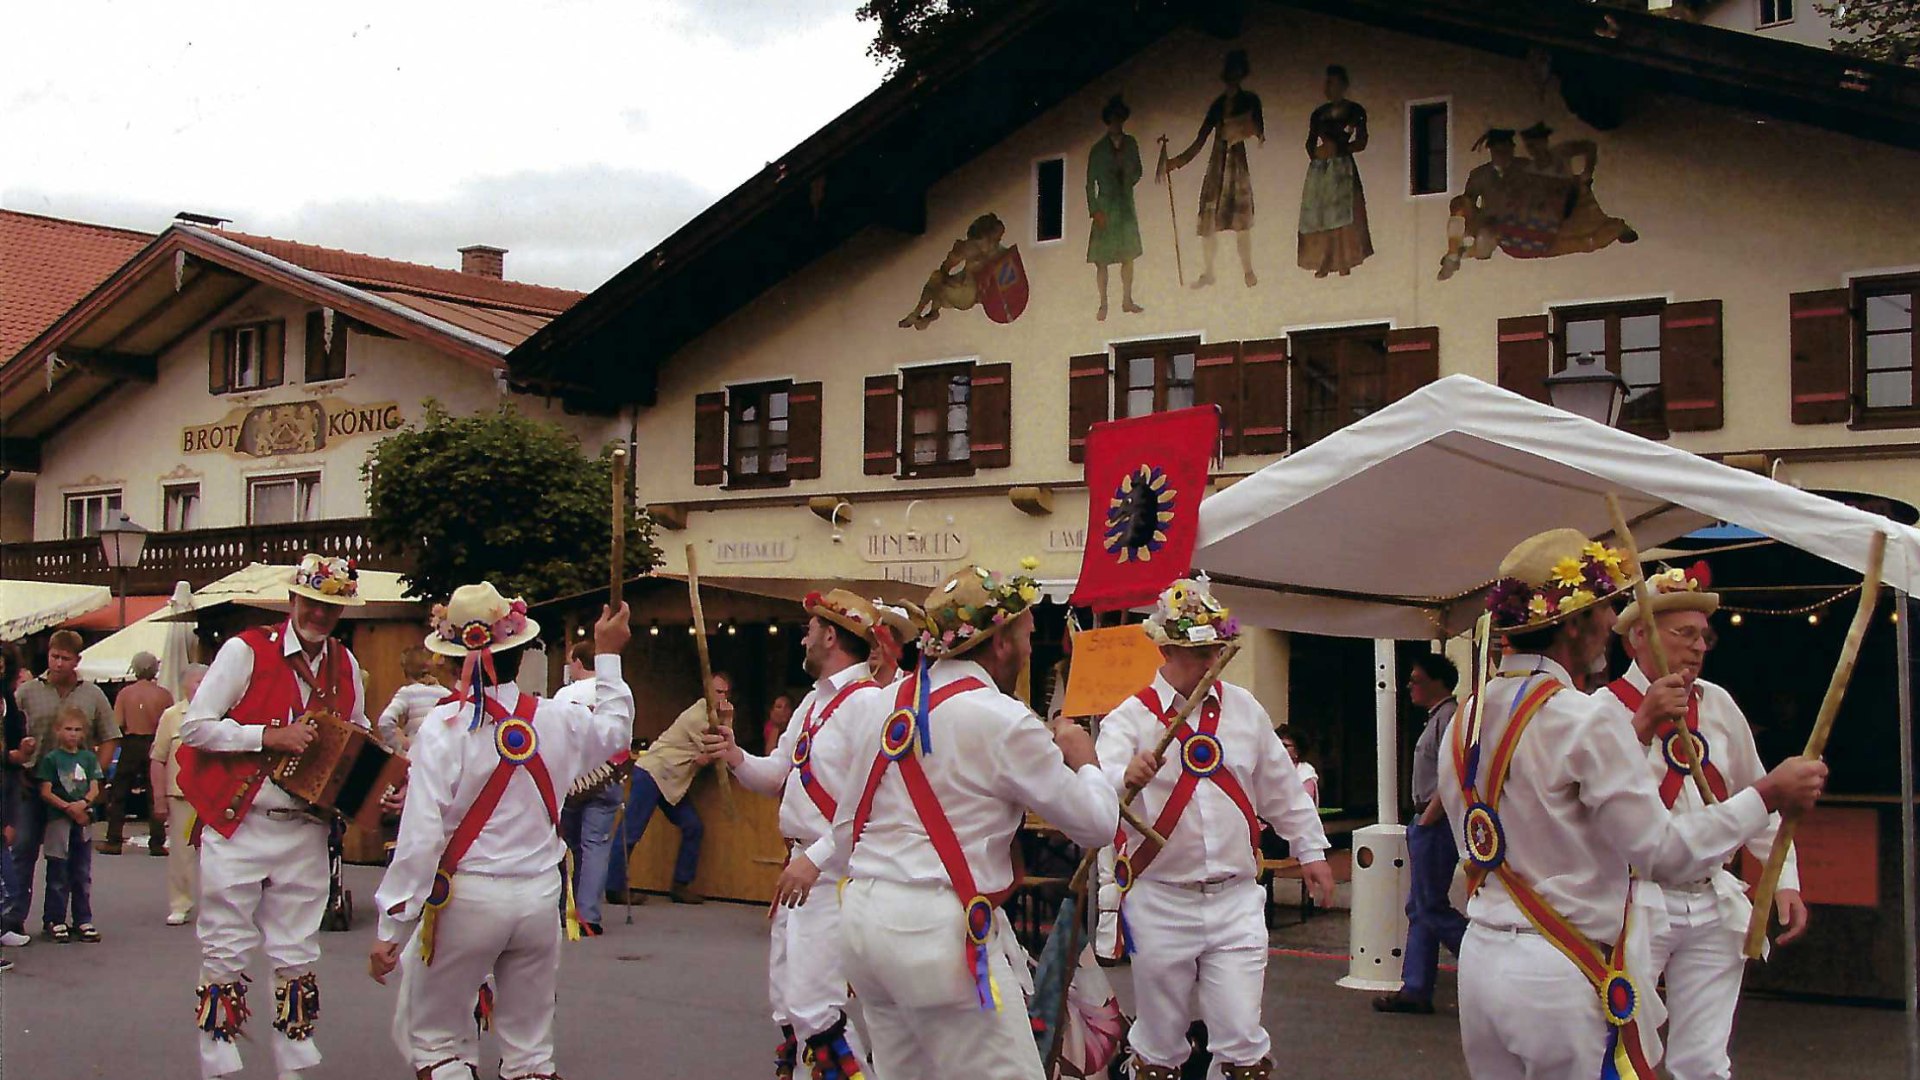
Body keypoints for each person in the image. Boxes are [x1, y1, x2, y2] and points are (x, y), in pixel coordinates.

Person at [1439, 529, 1827, 1079]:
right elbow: (1661, 850)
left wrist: (1780, 870)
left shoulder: (1467, 717)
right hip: (1562, 963)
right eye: (1605, 609)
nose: (1611, 622)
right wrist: (1769, 794)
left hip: (1479, 958)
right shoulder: (1587, 715)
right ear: (1574, 623)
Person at [817, 561, 1118, 1080]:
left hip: (863, 922)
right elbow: (1095, 825)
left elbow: (847, 830)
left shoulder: (886, 704)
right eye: (1026, 634)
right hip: (937, 933)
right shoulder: (1003, 718)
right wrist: (1085, 759)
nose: (1029, 649)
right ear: (999, 642)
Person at [369, 585, 634, 1080]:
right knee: (531, 1053)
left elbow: (421, 836)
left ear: (455, 663)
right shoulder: (559, 718)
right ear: (519, 651)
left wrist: (393, 922)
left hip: (468, 899)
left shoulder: (444, 729)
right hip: (539, 900)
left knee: (437, 1042)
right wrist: (608, 656)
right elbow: (617, 732)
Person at [1098, 577, 1331, 1080]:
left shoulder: (1244, 709)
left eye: (1214, 650)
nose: (1207, 663)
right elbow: (1096, 793)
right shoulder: (1130, 718)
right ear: (1163, 648)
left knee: (1244, 1043)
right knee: (1159, 1047)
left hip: (1235, 897)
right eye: (1192, 652)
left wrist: (1310, 851)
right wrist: (1124, 776)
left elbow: (1281, 788)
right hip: (1160, 897)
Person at [1593, 564, 1803, 1080]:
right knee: (1622, 1046)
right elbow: (1598, 800)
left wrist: (1783, 879)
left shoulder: (1719, 703)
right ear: (1638, 637)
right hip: (1635, 900)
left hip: (1713, 898)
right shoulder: (1600, 710)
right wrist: (1642, 724)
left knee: (1705, 1061)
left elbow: (1756, 791)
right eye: (1683, 634)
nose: (1699, 647)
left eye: (1703, 636)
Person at [176, 554, 371, 1080]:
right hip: (240, 820)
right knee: (225, 942)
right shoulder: (245, 650)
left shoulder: (347, 665)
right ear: (292, 602)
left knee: (298, 947)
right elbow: (195, 728)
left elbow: (358, 732)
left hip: (305, 825)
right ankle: (217, 1054)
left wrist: (378, 776)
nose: (320, 615)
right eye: (312, 603)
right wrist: (267, 735)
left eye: (331, 607)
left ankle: (293, 1057)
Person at [704, 589, 887, 1080]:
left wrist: (818, 858)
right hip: (801, 872)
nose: (802, 638)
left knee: (816, 1006)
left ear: (829, 636)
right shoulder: (811, 703)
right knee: (788, 1002)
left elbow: (871, 803)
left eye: (808, 630)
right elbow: (776, 774)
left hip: (835, 876)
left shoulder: (870, 704)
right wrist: (736, 754)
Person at [7, 629, 117, 942]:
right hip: (31, 783)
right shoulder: (28, 691)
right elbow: (11, 730)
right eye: (54, 656)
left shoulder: (92, 694)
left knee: (70, 858)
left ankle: (62, 917)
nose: (58, 663)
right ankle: (12, 920)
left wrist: (97, 774)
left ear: (77, 660)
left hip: (75, 792)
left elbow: (109, 736)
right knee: (22, 851)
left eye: (65, 658)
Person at [1375, 653, 1466, 1015]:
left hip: (1436, 823)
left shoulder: (1450, 718)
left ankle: (1479, 954)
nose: (1411, 686)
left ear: (1438, 683)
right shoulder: (1437, 719)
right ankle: (1416, 987)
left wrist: (1428, 819)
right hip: (1427, 821)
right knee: (1420, 906)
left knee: (1430, 905)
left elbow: (1454, 774)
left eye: (1417, 679)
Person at [605, 672, 729, 905]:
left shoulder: (712, 716)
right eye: (718, 691)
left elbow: (713, 751)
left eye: (725, 692)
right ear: (707, 691)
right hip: (654, 772)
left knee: (693, 827)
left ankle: (680, 885)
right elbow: (719, 748)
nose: (723, 696)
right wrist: (728, 721)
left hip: (672, 781)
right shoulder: (698, 716)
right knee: (630, 831)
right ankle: (614, 887)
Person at [1164, 49, 1264, 289]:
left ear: (1242, 74)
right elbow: (1201, 138)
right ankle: (1209, 272)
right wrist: (1177, 161)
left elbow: (1260, 132)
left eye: (1238, 72)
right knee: (1209, 221)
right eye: (1231, 72)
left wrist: (1242, 130)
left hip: (1237, 165)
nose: (1234, 76)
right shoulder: (1218, 105)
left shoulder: (1250, 100)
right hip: (1217, 165)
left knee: (1241, 222)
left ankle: (1248, 271)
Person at [556, 639, 635, 936]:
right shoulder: (617, 690)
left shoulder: (564, 695)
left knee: (569, 846)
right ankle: (588, 914)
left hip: (573, 779)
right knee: (596, 845)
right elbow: (624, 736)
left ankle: (566, 908)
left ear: (578, 663)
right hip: (608, 774)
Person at [1296, 64, 1373, 277]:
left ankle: (1344, 258)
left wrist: (1340, 148)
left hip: (1342, 166)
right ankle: (1326, 258)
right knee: (1322, 213)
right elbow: (1310, 143)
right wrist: (1317, 152)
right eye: (1328, 83)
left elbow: (1361, 141)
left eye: (1335, 83)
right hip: (1322, 168)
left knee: (1343, 211)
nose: (1331, 87)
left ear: (1344, 85)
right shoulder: (1319, 114)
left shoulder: (1354, 111)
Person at [36, 706, 103, 943]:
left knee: (82, 872)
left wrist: (83, 804)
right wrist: (67, 807)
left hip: (82, 818)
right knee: (58, 871)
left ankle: (83, 918)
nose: (72, 734)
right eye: (68, 729)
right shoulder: (52, 759)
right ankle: (55, 919)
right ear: (57, 731)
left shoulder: (88, 758)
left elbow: (95, 786)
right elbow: (45, 790)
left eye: (77, 730)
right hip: (59, 820)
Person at [152, 663, 209, 926]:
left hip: (214, 795)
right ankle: (180, 903)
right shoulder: (171, 715)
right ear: (185, 685)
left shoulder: (222, 713)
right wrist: (159, 797)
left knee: (220, 851)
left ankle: (220, 904)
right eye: (197, 681)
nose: (202, 686)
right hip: (181, 795)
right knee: (181, 853)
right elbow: (158, 758)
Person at [100, 650, 172, 855]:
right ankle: (157, 841)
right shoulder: (164, 695)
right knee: (154, 792)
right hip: (154, 741)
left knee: (119, 792)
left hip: (131, 743)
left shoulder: (125, 693)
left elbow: (117, 723)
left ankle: (114, 840)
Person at [1087, 92, 1145, 320]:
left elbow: (1138, 170)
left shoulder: (1131, 144)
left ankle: (1127, 300)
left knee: (1128, 255)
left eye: (1119, 118)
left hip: (1125, 206)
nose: (1116, 122)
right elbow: (1089, 183)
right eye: (1112, 118)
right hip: (1105, 207)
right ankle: (1103, 304)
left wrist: (1129, 176)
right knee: (1101, 260)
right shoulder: (1098, 149)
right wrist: (1095, 210)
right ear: (1107, 120)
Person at [898, 213, 1011, 330]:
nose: (996, 241)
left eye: (998, 238)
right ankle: (929, 313)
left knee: (936, 281)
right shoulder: (969, 248)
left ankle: (922, 313)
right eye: (995, 237)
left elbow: (946, 268)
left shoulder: (994, 251)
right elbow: (947, 266)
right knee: (938, 280)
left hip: (967, 295)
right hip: (968, 289)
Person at [1437, 129, 1521, 281]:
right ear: (1491, 150)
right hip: (1489, 218)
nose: (1502, 154)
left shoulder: (1524, 169)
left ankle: (1465, 253)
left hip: (1515, 220)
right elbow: (1469, 199)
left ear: (1511, 149)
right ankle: (1453, 253)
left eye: (1506, 149)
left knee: (1484, 239)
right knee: (1459, 204)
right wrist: (1463, 211)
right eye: (1497, 150)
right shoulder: (1480, 174)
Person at [0, 643, 32, 956]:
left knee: (7, 859)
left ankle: (5, 924)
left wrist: (20, 751)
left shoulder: (9, 698)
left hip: (7, 780)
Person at [376, 646, 447, 753]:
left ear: (406, 673)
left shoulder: (408, 693)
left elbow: (385, 721)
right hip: (443, 758)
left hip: (416, 758)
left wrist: (400, 747)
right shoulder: (447, 694)